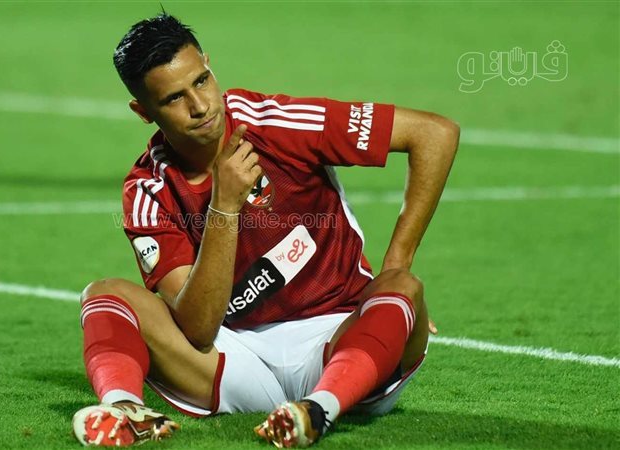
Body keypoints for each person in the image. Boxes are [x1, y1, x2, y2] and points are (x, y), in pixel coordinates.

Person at [72, 12, 459, 448]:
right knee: (103, 295)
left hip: (339, 337)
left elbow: (434, 134)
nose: (200, 106)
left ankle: (318, 409)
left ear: (209, 64)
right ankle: (125, 411)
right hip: (236, 357)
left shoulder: (276, 123)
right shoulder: (148, 190)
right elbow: (197, 329)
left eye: (201, 81)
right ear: (143, 112)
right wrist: (224, 207)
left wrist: (394, 264)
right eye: (174, 98)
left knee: (403, 286)